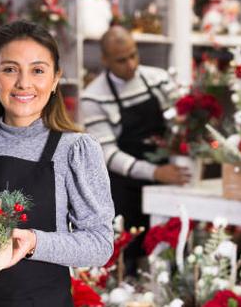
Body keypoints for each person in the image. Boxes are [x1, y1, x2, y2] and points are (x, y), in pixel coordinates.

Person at [0, 21, 114, 307]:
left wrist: (34, 242)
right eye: (9, 69)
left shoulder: (75, 150)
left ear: (56, 79)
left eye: (38, 70)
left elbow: (100, 244)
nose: (24, 83)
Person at [80, 26, 189, 273]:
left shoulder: (158, 78)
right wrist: (155, 173)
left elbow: (180, 120)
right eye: (121, 60)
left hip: (166, 178)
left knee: (173, 252)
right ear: (105, 60)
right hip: (126, 188)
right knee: (129, 258)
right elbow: (108, 154)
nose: (130, 64)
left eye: (134, 55)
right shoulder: (93, 97)